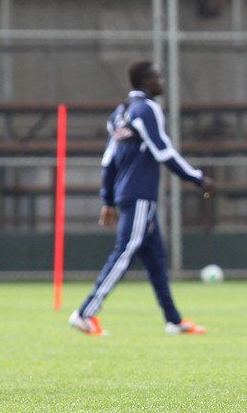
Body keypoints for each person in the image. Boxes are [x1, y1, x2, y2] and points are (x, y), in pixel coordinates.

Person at [69, 59, 215, 337]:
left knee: (156, 260)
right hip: (140, 195)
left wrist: (108, 199)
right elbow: (164, 152)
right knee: (125, 252)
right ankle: (85, 313)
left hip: (127, 194)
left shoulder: (120, 113)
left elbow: (109, 161)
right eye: (157, 77)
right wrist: (198, 178)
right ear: (146, 81)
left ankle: (174, 321)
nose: (162, 81)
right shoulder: (147, 109)